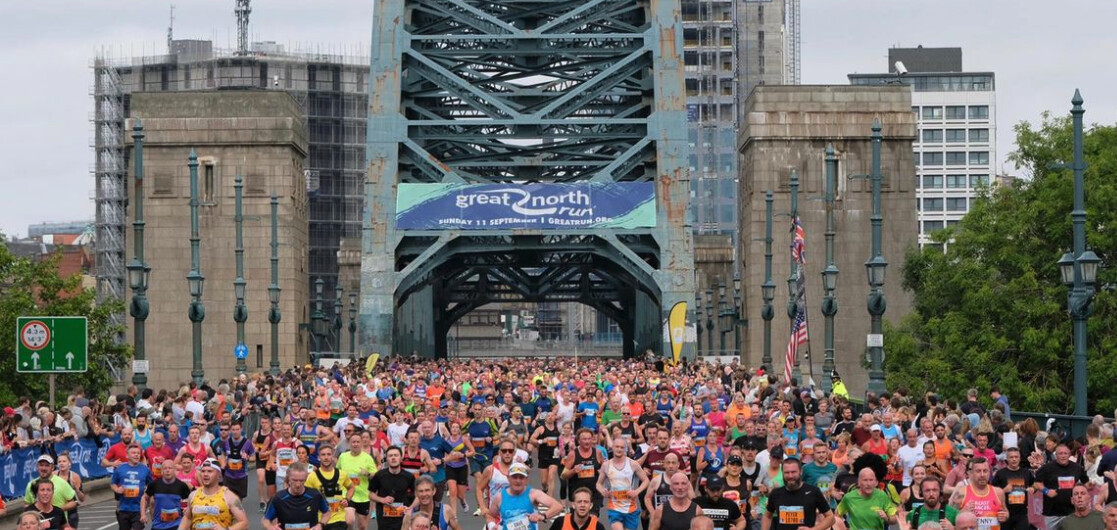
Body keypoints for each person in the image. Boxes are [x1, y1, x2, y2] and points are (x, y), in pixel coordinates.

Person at [487, 462, 564, 530]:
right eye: (514, 477)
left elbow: (558, 506)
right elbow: (490, 516)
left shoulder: (533, 494)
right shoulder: (500, 497)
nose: (518, 481)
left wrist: (542, 516)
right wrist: (492, 526)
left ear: (526, 479)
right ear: (508, 478)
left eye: (521, 477)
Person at [762, 458, 833, 530]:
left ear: (801, 472)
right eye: (787, 472)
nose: (790, 476)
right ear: (782, 473)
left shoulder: (813, 492)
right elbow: (767, 516)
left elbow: (830, 518)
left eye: (793, 472)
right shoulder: (776, 493)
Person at [598, 438, 650, 530]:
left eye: (622, 447)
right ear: (612, 448)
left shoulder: (633, 464)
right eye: (617, 447)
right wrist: (603, 491)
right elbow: (598, 484)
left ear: (625, 449)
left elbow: (646, 480)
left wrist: (637, 491)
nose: (619, 449)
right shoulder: (606, 465)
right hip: (614, 507)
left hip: (630, 508)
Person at [1035, 444, 1090, 530]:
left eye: (1065, 453)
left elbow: (1086, 483)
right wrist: (1046, 491)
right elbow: (1036, 483)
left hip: (1071, 512)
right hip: (1051, 513)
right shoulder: (1047, 468)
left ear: (1069, 455)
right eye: (1060, 453)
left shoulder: (1077, 468)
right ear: (1056, 455)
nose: (1063, 456)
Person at [261, 462, 330, 530]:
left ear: (306, 478)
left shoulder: (315, 495)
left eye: (301, 480)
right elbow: (265, 520)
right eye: (294, 480)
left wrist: (320, 525)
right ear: (288, 479)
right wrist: (270, 527)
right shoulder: (278, 498)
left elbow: (327, 512)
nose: (298, 484)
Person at [948, 457, 1008, 530]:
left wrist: (1005, 516)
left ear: (989, 472)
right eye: (978, 471)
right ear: (972, 473)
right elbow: (948, 519)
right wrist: (962, 512)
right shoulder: (961, 493)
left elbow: (1005, 512)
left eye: (985, 471)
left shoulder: (999, 492)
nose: (982, 475)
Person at [337, 429, 379, 530]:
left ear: (361, 443)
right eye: (353, 442)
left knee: (362, 527)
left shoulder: (367, 458)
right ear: (349, 443)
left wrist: (367, 474)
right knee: (349, 520)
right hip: (347, 494)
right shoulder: (343, 456)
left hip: (363, 495)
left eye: (357, 442)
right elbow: (337, 472)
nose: (355, 444)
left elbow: (376, 476)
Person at [370, 446, 418, 530]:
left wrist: (410, 508)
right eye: (390, 456)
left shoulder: (409, 476)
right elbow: (371, 494)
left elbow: (418, 495)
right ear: (387, 459)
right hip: (384, 517)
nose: (393, 458)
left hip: (402, 515)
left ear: (401, 458)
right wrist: (382, 499)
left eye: (396, 455)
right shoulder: (379, 475)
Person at [990, 447, 1033, 530]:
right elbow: (992, 493)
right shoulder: (1000, 473)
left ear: (1020, 458)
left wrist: (1032, 489)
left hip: (1022, 513)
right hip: (1005, 513)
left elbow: (1035, 485)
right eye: (1011, 457)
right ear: (1007, 459)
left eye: (1016, 457)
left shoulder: (1026, 472)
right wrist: (1004, 490)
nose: (1014, 459)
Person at [142, 459, 193, 530]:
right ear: (161, 471)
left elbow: (191, 500)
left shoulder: (181, 485)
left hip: (176, 525)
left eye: (170, 468)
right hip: (158, 525)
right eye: (165, 468)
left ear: (174, 470)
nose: (167, 470)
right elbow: (144, 498)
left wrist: (187, 510)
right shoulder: (154, 484)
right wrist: (143, 514)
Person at [112, 443, 153, 530]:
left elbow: (151, 485)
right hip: (123, 508)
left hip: (138, 508)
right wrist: (117, 489)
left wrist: (147, 492)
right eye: (133, 453)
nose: (136, 455)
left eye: (138, 453)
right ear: (127, 455)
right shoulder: (120, 468)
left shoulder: (145, 469)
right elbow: (113, 483)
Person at [563, 428, 605, 513]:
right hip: (578, 494)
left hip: (594, 493)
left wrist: (602, 473)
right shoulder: (573, 454)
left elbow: (604, 471)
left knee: (593, 517)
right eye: (584, 439)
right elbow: (563, 475)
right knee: (579, 519)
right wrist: (573, 471)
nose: (587, 441)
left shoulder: (598, 453)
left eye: (589, 439)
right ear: (579, 441)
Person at [215, 422, 255, 500]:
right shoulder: (226, 442)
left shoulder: (247, 443)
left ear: (241, 429)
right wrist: (223, 462)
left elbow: (253, 458)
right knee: (227, 500)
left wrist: (247, 458)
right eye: (233, 430)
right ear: (230, 430)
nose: (235, 432)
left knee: (238, 501)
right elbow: (222, 454)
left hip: (241, 476)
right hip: (228, 476)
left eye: (237, 429)